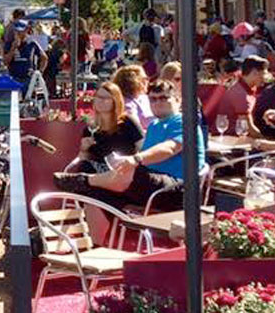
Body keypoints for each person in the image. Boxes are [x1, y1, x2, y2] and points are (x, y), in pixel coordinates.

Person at [55, 80, 205, 211]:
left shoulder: (184, 122)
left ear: (178, 100)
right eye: (153, 99)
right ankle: (97, 241)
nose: (158, 103)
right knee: (95, 193)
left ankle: (84, 180)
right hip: (151, 185)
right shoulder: (154, 125)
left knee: (130, 172)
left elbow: (170, 147)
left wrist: (135, 159)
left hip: (178, 187)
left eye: (164, 98)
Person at [66, 82, 143, 175]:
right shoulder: (91, 128)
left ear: (115, 101)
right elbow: (82, 160)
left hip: (123, 171)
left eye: (106, 98)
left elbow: (143, 149)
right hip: (98, 174)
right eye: (98, 97)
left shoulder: (127, 122)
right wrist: (84, 149)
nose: (100, 101)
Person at [213, 55, 268, 135]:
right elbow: (248, 128)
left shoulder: (244, 86)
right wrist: (269, 143)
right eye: (263, 74)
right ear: (254, 72)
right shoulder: (241, 94)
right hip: (229, 139)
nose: (265, 78)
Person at [4, 20, 46, 89]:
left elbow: (44, 58)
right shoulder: (9, 44)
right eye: (16, 31)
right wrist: (13, 48)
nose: (18, 33)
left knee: (28, 97)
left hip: (28, 78)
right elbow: (5, 62)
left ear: (26, 30)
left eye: (21, 31)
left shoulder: (31, 43)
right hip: (14, 78)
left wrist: (39, 73)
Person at [113, 64, 154, 130]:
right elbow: (135, 129)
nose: (148, 81)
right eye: (145, 79)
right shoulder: (126, 105)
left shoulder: (145, 98)